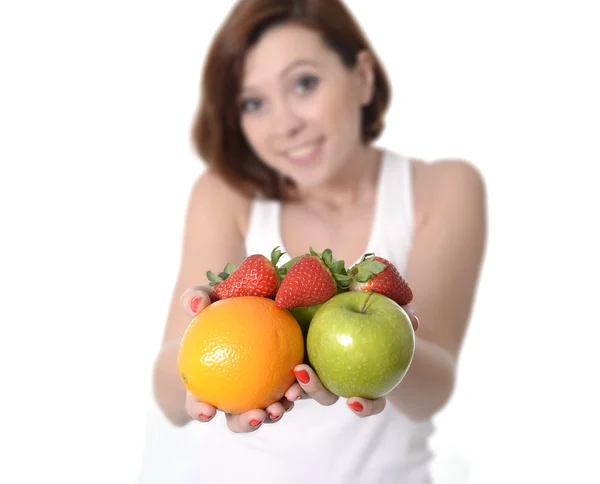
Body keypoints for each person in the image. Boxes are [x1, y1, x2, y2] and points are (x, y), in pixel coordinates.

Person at [143, 0, 486, 483]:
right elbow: (169, 399)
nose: (285, 125)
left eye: (304, 83)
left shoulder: (443, 189)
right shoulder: (226, 193)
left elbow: (434, 390)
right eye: (252, 102)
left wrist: (390, 334)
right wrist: (204, 347)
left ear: (363, 76)